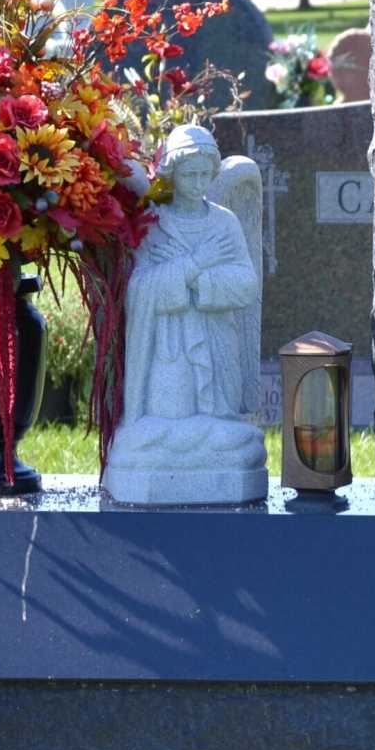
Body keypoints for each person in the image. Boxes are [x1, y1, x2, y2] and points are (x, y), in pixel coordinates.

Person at [103, 125, 266, 503]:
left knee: (223, 429)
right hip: (169, 345)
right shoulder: (155, 222)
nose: (196, 183)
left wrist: (192, 282)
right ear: (171, 175)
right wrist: (195, 264)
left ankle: (217, 445)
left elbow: (245, 284)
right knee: (165, 423)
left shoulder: (225, 221)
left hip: (216, 340)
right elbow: (139, 287)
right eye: (187, 174)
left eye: (203, 174)